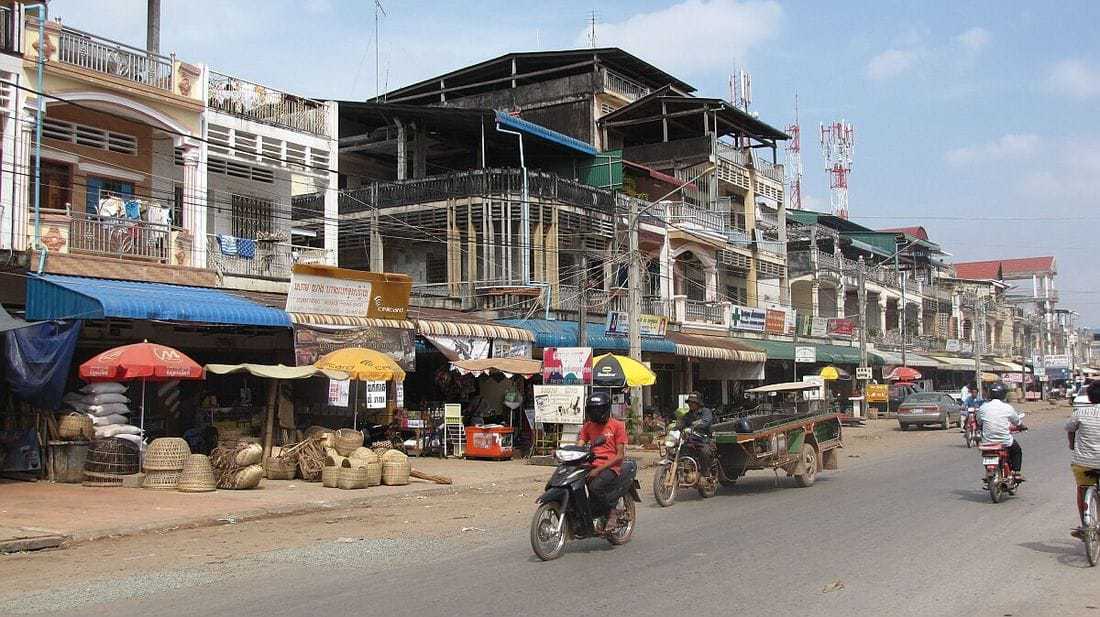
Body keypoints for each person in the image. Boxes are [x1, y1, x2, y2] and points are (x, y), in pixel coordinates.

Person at [577, 391, 628, 527]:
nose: (595, 412)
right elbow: (579, 445)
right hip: (592, 464)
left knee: (595, 487)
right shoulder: (588, 426)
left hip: (611, 466)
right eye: (592, 409)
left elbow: (620, 455)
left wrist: (598, 469)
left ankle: (612, 512)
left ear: (605, 409)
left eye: (598, 409)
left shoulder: (617, 426)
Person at [1067, 381, 1100, 538]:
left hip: (1083, 463)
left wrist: (1071, 444)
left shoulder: (1080, 413)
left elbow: (1069, 429)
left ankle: (1084, 525)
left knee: (1082, 489)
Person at [978, 382, 1026, 481]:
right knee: (1017, 450)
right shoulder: (1007, 408)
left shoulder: (983, 407)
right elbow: (1017, 421)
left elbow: (979, 421)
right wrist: (1021, 426)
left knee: (986, 453)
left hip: (987, 441)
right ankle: (1016, 472)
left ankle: (989, 471)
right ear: (1004, 394)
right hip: (1004, 440)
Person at [679, 391, 716, 472]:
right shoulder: (687, 415)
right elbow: (681, 424)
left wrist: (693, 426)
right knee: (679, 450)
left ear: (698, 403)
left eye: (693, 402)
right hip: (690, 441)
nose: (690, 404)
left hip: (704, 441)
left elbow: (705, 422)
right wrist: (672, 429)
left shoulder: (706, 412)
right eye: (689, 402)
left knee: (704, 452)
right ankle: (684, 471)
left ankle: (705, 473)